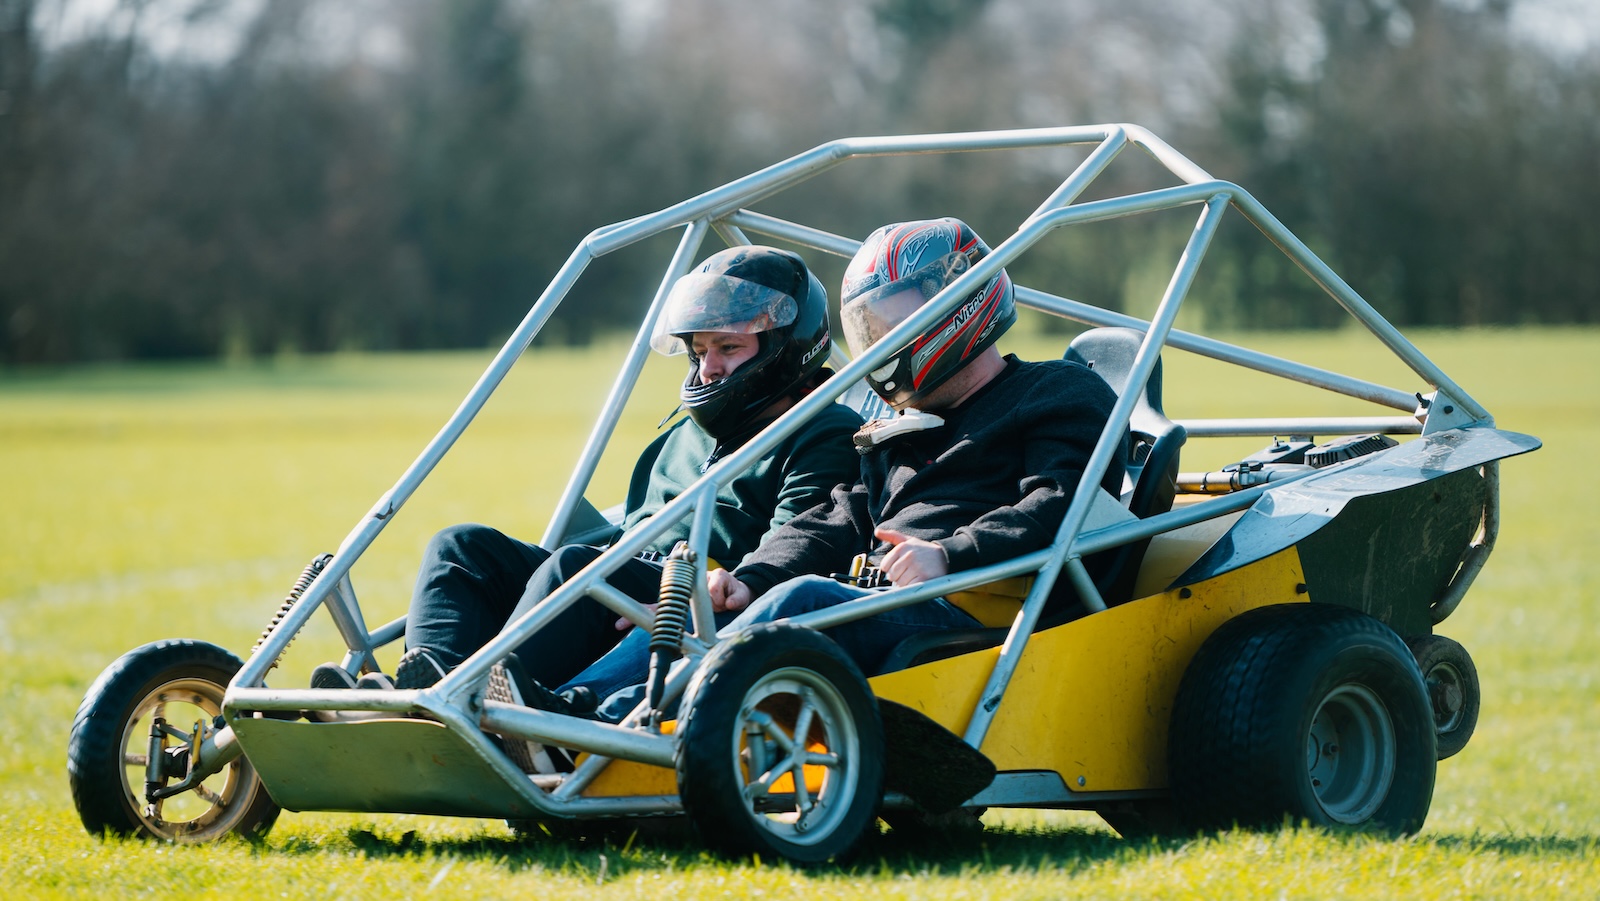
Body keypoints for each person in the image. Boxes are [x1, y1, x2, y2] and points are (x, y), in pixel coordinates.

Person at [531, 217, 1126, 723]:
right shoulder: (901, 419)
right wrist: (749, 580)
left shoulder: (1058, 391)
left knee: (806, 597)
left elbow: (1064, 500)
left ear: (959, 306)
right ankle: (562, 709)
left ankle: (615, 721)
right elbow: (834, 518)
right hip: (886, 596)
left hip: (986, 601)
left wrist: (951, 554)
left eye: (893, 323)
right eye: (870, 328)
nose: (880, 342)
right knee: (710, 604)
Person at [309, 246, 863, 710]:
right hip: (626, 588)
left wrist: (737, 584)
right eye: (698, 351)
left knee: (579, 567)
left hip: (708, 599)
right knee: (463, 548)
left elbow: (807, 540)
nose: (708, 369)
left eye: (728, 348)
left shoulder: (827, 430)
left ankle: (477, 700)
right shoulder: (681, 437)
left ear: (786, 351)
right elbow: (632, 530)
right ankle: (428, 689)